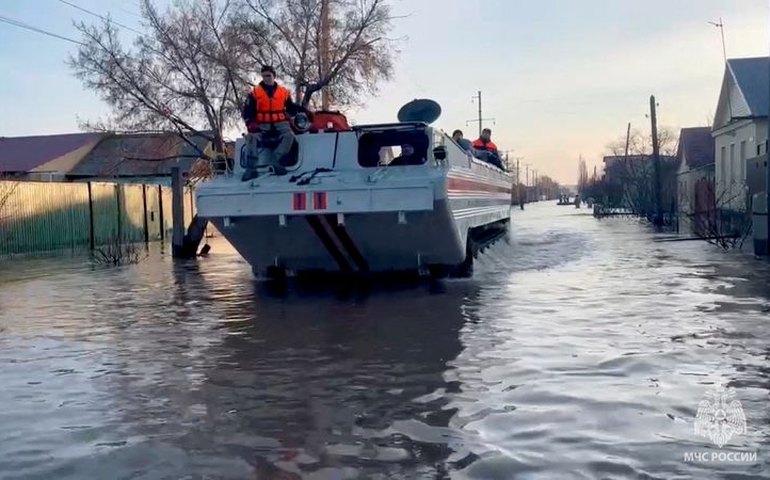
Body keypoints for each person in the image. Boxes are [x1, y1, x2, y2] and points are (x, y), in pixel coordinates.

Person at [240, 65, 303, 181]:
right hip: (262, 126)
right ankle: (251, 169)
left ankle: (276, 161)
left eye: (268, 75)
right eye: (264, 76)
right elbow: (248, 112)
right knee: (250, 138)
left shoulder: (284, 92)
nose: (266, 78)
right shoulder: (254, 93)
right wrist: (253, 127)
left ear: (274, 76)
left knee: (289, 136)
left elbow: (290, 108)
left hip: (280, 125)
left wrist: (301, 110)